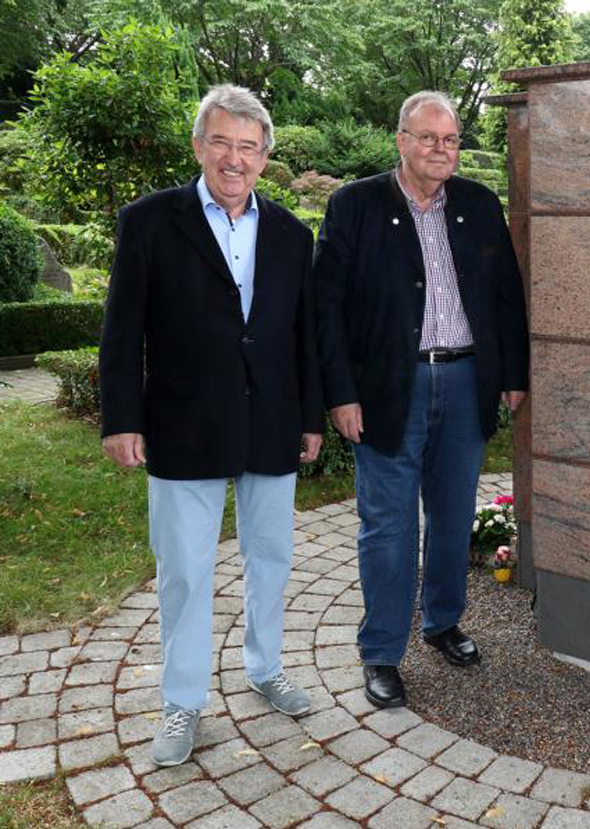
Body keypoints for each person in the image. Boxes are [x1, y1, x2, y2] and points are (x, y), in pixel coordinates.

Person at [98, 85, 324, 766]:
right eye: (221, 142)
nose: (234, 158)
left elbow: (303, 334)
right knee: (187, 570)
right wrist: (121, 417)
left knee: (272, 558)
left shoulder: (290, 232)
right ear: (199, 146)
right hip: (182, 420)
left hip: (269, 420)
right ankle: (183, 700)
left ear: (264, 157)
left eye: (249, 147)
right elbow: (121, 330)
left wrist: (311, 417)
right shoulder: (148, 222)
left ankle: (265, 667)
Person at [314, 90, 529, 709]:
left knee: (455, 514)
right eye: (428, 137)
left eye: (451, 139)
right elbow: (325, 310)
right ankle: (381, 651)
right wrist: (340, 395)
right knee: (387, 525)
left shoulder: (479, 206)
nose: (441, 149)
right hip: (388, 388)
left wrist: (513, 374)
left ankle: (442, 622)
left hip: (466, 382)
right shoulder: (354, 206)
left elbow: (506, 297)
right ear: (401, 140)